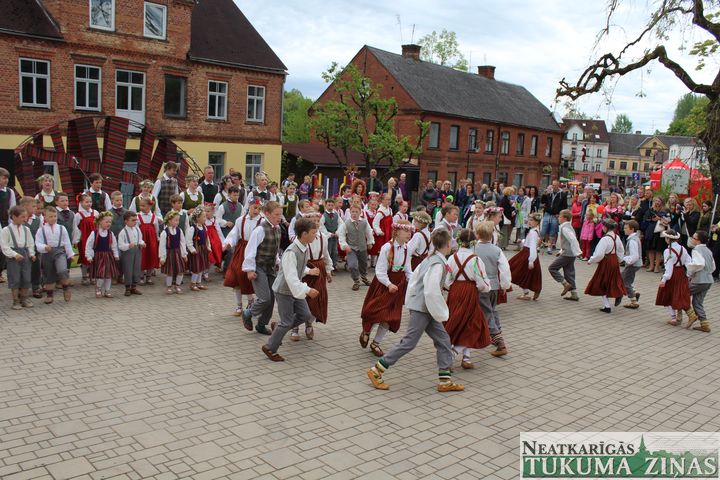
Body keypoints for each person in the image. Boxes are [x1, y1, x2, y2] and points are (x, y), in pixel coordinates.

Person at [366, 229, 464, 392]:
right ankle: (376, 370)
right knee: (409, 342)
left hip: (424, 307)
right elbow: (431, 290)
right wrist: (440, 310)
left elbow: (415, 280)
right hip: (424, 308)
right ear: (448, 244)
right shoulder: (437, 263)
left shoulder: (430, 259)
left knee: (444, 340)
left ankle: (445, 381)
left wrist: (412, 300)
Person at [261, 218, 320, 361]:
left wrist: (308, 271)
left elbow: (297, 268)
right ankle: (270, 348)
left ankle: (278, 328)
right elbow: (291, 277)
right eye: (313, 232)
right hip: (284, 291)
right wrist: (307, 290)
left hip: (294, 289)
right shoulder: (291, 251)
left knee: (305, 315)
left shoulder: (303, 247)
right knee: (287, 321)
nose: (316, 235)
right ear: (304, 234)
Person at [359, 220, 413, 357]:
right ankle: (366, 331)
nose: (409, 234)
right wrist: (388, 284)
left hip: (398, 285)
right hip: (383, 284)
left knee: (390, 317)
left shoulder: (408, 248)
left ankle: (376, 343)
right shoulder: (387, 248)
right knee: (375, 311)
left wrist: (414, 283)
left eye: (410, 231)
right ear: (397, 232)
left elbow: (408, 270)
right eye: (406, 231)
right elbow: (380, 271)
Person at [443, 228, 491, 370]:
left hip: (454, 291)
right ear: (473, 242)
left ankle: (466, 358)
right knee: (473, 324)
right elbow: (482, 282)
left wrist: (452, 287)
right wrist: (485, 288)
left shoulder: (452, 258)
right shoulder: (476, 260)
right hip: (469, 292)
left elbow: (446, 280)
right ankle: (453, 353)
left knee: (459, 322)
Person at [242, 201, 283, 335]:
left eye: (280, 214)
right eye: (276, 214)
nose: (279, 217)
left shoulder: (277, 228)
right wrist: (250, 269)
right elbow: (250, 250)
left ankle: (261, 324)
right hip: (258, 266)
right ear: (267, 214)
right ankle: (248, 312)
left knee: (271, 298)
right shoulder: (260, 230)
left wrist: (278, 262)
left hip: (270, 267)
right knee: (264, 298)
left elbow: (275, 249)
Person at [473, 221, 512, 357]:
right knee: (492, 309)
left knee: (487, 313)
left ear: (477, 235)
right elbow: (505, 269)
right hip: (494, 286)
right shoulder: (497, 250)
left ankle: (500, 342)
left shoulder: (473, 249)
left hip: (480, 286)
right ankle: (497, 332)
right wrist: (505, 285)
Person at [293, 211, 333, 340]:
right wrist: (307, 271)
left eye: (318, 221)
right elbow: (296, 260)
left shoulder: (323, 237)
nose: (316, 223)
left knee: (317, 298)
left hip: (319, 269)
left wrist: (328, 270)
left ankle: (309, 323)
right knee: (301, 298)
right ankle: (295, 327)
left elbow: (326, 255)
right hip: (305, 268)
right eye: (313, 221)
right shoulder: (301, 238)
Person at [223, 201, 263, 315]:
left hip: (255, 251)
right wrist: (229, 243)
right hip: (241, 250)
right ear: (249, 206)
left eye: (259, 208)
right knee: (235, 276)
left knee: (247, 278)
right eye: (255, 207)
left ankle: (250, 301)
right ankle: (239, 305)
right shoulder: (240, 220)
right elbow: (234, 234)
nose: (256, 211)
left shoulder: (262, 222)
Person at [585, 219, 626, 313]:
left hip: (606, 261)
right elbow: (621, 250)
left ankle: (607, 305)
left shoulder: (605, 239)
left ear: (606, 227)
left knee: (602, 282)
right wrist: (619, 260)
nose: (602, 228)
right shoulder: (616, 237)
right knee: (611, 281)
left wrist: (591, 260)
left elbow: (599, 254)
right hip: (614, 260)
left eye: (603, 226)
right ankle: (610, 301)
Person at [35, 206, 74, 303]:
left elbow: (67, 242)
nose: (53, 218)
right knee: (49, 275)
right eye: (50, 216)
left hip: (59, 252)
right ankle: (49, 295)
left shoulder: (61, 228)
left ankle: (66, 287)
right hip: (47, 254)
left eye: (55, 216)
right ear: (45, 217)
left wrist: (70, 254)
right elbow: (38, 243)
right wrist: (44, 247)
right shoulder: (41, 230)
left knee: (62, 270)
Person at [2, 206, 36, 309]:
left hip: (25, 253)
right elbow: (4, 246)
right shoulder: (6, 230)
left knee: (26, 278)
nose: (25, 219)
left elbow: (30, 243)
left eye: (25, 217)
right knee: (15, 278)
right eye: (22, 217)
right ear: (14, 217)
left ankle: (24, 298)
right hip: (13, 256)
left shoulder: (26, 229)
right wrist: (14, 254)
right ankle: (15, 300)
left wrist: (31, 254)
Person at [655, 229, 691, 325]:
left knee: (668, 294)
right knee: (678, 293)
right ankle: (679, 316)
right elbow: (689, 262)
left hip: (672, 274)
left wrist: (664, 279)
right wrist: (689, 275)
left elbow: (669, 267)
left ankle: (673, 318)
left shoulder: (668, 251)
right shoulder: (683, 248)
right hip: (681, 273)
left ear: (668, 239)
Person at [85, 212, 120, 298]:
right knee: (100, 275)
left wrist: (116, 255)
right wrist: (88, 256)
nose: (109, 224)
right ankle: (98, 288)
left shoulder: (110, 233)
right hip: (99, 257)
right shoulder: (94, 233)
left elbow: (114, 245)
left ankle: (107, 290)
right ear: (100, 221)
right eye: (106, 221)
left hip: (108, 256)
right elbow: (89, 245)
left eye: (110, 222)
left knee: (108, 275)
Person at [548, 209, 582, 302]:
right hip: (570, 254)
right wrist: (561, 251)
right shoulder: (568, 226)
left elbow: (573, 239)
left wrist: (578, 252)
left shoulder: (565, 228)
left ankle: (565, 284)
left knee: (552, 268)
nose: (558, 218)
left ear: (565, 218)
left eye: (560, 216)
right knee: (569, 273)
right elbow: (568, 242)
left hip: (568, 254)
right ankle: (574, 294)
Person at [339, 204, 374, 291]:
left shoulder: (364, 222)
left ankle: (364, 277)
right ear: (350, 212)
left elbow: (369, 232)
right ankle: (356, 281)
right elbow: (341, 235)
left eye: (356, 212)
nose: (354, 213)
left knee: (364, 264)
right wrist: (345, 245)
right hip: (351, 248)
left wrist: (370, 242)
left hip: (362, 247)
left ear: (360, 212)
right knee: (352, 265)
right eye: (352, 212)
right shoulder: (346, 223)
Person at [685, 230, 714, 332]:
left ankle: (691, 315)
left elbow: (698, 264)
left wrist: (689, 273)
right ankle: (704, 324)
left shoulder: (696, 250)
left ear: (698, 240)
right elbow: (713, 266)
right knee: (697, 302)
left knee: (682, 294)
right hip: (708, 280)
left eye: (693, 237)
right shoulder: (708, 250)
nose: (691, 239)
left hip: (699, 280)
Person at [509, 212, 542, 300]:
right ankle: (530, 291)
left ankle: (528, 292)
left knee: (514, 268)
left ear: (537, 222)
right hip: (527, 253)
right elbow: (529, 243)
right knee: (524, 272)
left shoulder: (533, 232)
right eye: (529, 220)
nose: (529, 222)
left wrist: (531, 260)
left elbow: (533, 246)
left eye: (532, 220)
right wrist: (522, 242)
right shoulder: (533, 231)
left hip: (528, 254)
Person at [72, 193, 99, 286]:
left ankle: (93, 276)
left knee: (94, 257)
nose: (89, 204)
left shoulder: (95, 213)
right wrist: (76, 240)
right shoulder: (78, 215)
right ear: (81, 203)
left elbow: (99, 225)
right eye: (86, 202)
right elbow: (75, 228)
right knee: (85, 257)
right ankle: (84, 276)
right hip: (84, 239)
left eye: (90, 202)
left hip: (94, 239)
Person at [159, 211, 188, 295]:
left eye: (178, 220)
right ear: (169, 221)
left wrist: (184, 254)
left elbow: (182, 243)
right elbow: (162, 246)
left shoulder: (179, 230)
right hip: (169, 254)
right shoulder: (165, 232)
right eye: (176, 220)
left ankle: (177, 285)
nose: (177, 222)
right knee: (170, 272)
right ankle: (169, 287)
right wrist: (162, 257)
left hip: (178, 253)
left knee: (180, 270)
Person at [117, 211, 145, 297]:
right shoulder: (123, 232)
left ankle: (134, 287)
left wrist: (142, 243)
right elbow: (120, 245)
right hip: (127, 252)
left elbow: (140, 239)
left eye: (136, 220)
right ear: (126, 221)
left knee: (136, 268)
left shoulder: (137, 229)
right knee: (128, 269)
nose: (135, 222)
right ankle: (127, 288)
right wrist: (128, 245)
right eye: (132, 220)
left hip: (137, 251)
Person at [21, 197, 43, 298]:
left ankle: (36, 287)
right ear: (24, 206)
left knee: (36, 268)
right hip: (23, 249)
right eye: (33, 206)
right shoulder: (20, 219)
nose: (35, 208)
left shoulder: (37, 220)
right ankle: (21, 288)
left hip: (35, 248)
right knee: (23, 269)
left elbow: (40, 233)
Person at [136, 197, 160, 285]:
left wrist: (157, 238)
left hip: (151, 240)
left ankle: (149, 276)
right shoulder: (138, 216)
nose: (141, 207)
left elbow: (156, 229)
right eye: (140, 206)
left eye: (143, 206)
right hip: (142, 240)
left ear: (149, 206)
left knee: (151, 256)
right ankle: (141, 276)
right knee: (142, 257)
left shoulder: (154, 217)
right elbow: (136, 229)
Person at [186, 208, 211, 292]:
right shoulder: (193, 228)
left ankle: (199, 283)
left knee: (201, 267)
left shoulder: (204, 227)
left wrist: (208, 247)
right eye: (203, 217)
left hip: (203, 249)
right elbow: (188, 240)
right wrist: (192, 249)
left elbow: (207, 238)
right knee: (196, 268)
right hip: (196, 250)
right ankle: (193, 283)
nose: (205, 218)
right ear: (197, 218)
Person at [620, 220, 643, 309]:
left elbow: (634, 256)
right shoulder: (634, 238)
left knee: (625, 282)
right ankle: (634, 293)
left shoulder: (632, 241)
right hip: (635, 264)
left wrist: (625, 258)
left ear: (632, 229)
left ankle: (634, 301)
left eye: (626, 228)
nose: (624, 229)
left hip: (633, 264)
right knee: (627, 279)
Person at [540, 180, 567, 254]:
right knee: (543, 230)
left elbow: (564, 206)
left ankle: (550, 247)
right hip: (547, 213)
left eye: (555, 185)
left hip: (555, 215)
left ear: (558, 186)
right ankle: (538, 245)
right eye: (553, 185)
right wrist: (544, 194)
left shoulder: (562, 194)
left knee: (553, 231)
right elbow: (542, 201)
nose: (553, 186)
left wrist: (560, 214)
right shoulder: (549, 193)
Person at [644, 197, 669, 273]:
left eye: (659, 201)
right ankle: (651, 265)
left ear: (662, 202)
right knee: (650, 249)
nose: (657, 202)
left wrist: (660, 218)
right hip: (651, 230)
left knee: (658, 249)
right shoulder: (650, 209)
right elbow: (645, 218)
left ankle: (657, 266)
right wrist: (652, 219)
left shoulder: (665, 210)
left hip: (660, 231)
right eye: (656, 201)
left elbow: (668, 219)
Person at [319, 198, 340, 271]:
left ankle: (334, 265)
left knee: (335, 252)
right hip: (328, 237)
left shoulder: (336, 215)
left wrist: (337, 232)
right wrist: (329, 234)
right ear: (325, 206)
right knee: (328, 252)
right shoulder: (323, 216)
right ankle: (328, 268)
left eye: (332, 205)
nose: (330, 207)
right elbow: (321, 226)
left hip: (335, 236)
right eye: (329, 205)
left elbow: (341, 223)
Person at [204, 203, 224, 275]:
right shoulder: (204, 220)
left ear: (213, 212)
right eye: (205, 211)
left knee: (216, 251)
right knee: (208, 256)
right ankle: (205, 273)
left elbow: (219, 231)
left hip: (214, 240)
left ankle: (208, 271)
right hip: (206, 240)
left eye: (208, 211)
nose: (206, 213)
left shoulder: (214, 220)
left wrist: (223, 242)